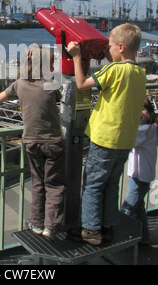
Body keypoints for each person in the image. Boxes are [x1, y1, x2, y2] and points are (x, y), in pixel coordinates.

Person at [67, 23, 147, 246]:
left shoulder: (113, 71)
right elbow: (121, 70)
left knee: (92, 184)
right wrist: (109, 56)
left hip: (104, 140)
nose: (107, 50)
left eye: (110, 46)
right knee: (111, 184)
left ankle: (90, 231)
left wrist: (75, 56)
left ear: (121, 47)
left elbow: (82, 84)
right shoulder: (140, 74)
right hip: (125, 141)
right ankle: (108, 227)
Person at [0, 44, 67, 240]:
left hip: (31, 141)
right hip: (53, 141)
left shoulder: (19, 84)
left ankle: (36, 223)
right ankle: (51, 226)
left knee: (37, 182)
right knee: (54, 184)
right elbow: (60, 99)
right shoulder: (53, 83)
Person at [122, 98, 158, 245]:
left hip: (139, 176)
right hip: (142, 175)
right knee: (140, 207)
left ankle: (122, 240)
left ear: (149, 113)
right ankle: (144, 236)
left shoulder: (145, 130)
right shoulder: (152, 129)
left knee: (127, 209)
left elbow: (130, 139)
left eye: (142, 109)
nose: (139, 113)